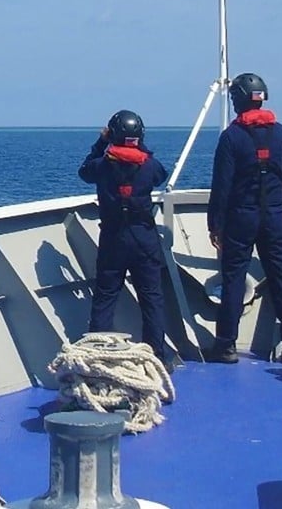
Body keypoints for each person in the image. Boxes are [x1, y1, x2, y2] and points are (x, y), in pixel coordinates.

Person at [205, 73, 282, 365]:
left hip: (241, 216)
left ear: (237, 101)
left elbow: (221, 185)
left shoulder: (232, 137)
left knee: (234, 278)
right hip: (273, 214)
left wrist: (215, 225)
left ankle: (226, 346)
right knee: (280, 276)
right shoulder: (281, 133)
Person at [78, 110, 171, 370]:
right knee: (151, 299)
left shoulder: (102, 166)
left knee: (105, 297)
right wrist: (138, 145)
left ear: (113, 134)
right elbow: (160, 174)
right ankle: (157, 358)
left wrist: (101, 143)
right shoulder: (149, 166)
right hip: (144, 238)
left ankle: (98, 356)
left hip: (113, 238)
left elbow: (84, 171)